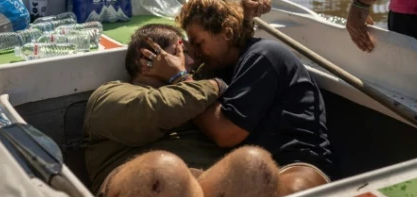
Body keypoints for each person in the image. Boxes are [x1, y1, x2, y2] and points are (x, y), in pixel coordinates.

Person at [152, 0, 335, 195]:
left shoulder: (263, 56)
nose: (195, 52)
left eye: (199, 43)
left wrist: (179, 77)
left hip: (295, 164)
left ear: (227, 33)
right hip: (246, 169)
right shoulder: (219, 66)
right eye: (190, 45)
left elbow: (226, 133)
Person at [83, 24, 281, 197]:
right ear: (146, 57)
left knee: (254, 165)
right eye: (181, 52)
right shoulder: (110, 93)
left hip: (203, 183)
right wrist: (207, 83)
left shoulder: (195, 99)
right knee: (164, 171)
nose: (191, 63)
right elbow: (155, 111)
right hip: (143, 182)